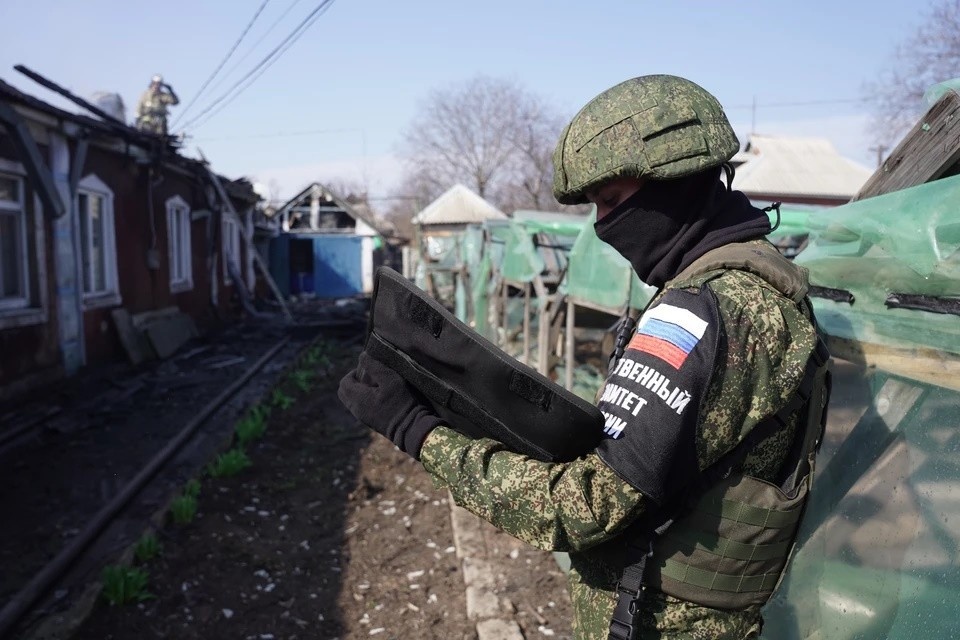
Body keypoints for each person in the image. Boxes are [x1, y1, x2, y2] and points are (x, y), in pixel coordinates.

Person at [339, 74, 829, 640]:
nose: (603, 226)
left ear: (677, 180)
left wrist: (415, 429)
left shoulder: (703, 310)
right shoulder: (761, 285)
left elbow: (583, 505)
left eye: (615, 201)